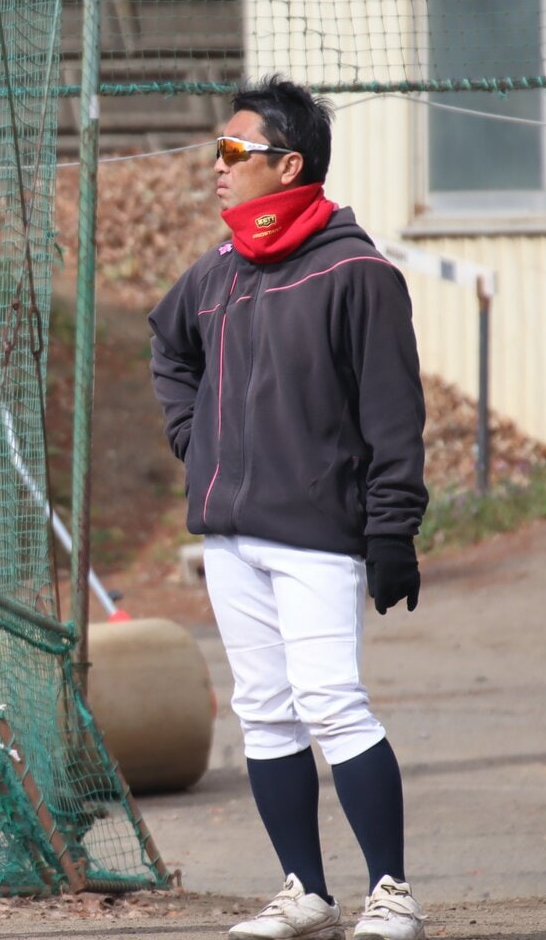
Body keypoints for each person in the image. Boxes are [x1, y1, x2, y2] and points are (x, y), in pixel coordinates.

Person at [148, 76, 430, 940]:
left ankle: (392, 895)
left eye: (235, 152)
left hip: (316, 533)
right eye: (217, 151)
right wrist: (194, 440)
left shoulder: (356, 272)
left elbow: (394, 416)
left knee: (331, 699)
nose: (218, 167)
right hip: (231, 533)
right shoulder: (216, 274)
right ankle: (304, 890)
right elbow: (169, 346)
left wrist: (392, 530)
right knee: (263, 709)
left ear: (289, 164)